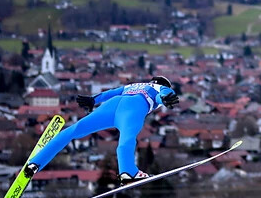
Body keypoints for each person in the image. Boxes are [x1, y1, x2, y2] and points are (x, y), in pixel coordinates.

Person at [24, 76, 180, 185]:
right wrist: (165, 98)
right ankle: (127, 172)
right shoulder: (161, 87)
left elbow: (111, 93)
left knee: (73, 130)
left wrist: (93, 100)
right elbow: (163, 94)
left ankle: (34, 163)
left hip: (111, 105)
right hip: (134, 107)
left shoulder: (135, 85)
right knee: (127, 139)